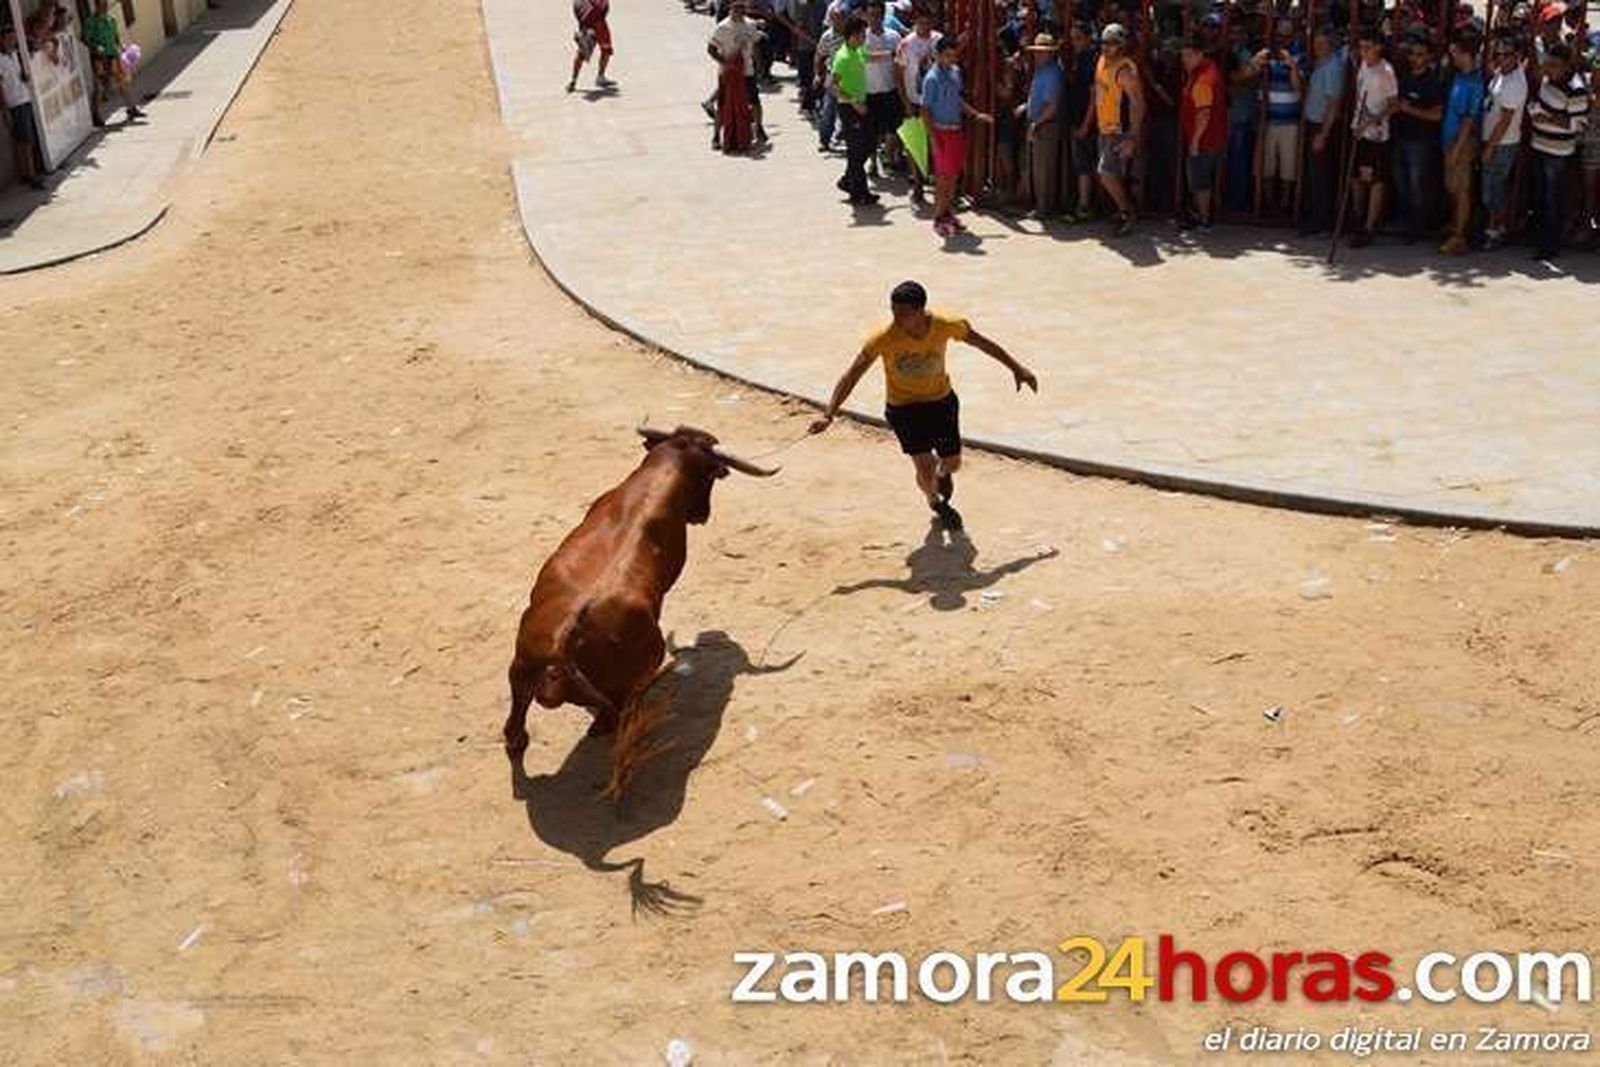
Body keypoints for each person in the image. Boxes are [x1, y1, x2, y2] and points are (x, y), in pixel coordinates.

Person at [808, 280, 1039, 532]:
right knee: (924, 466)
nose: (897, 319)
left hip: (941, 402)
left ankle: (944, 473)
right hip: (903, 408)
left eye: (904, 314)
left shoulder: (946, 325)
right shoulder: (883, 338)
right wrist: (829, 414)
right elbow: (852, 374)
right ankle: (935, 501)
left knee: (952, 463)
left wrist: (1017, 368)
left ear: (921, 311)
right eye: (894, 312)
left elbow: (982, 343)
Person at [921, 33, 993, 236]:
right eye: (947, 55)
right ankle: (938, 218)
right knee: (942, 180)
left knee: (952, 178)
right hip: (941, 133)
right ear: (938, 55)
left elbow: (957, 100)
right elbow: (925, 111)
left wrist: (976, 114)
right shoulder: (931, 79)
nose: (951, 59)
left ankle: (947, 214)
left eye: (954, 55)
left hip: (956, 131)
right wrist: (933, 140)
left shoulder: (955, 72)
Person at [1526, 42, 1590, 258]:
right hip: (1539, 144)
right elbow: (1537, 101)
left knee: (1554, 199)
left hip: (1558, 152)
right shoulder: (1546, 79)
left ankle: (1550, 245)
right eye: (1548, 64)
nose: (1549, 69)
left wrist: (1549, 119)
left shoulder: (1576, 88)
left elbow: (1578, 125)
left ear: (1566, 66)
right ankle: (1538, 237)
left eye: (1554, 65)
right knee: (1540, 196)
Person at [1346, 29, 1397, 248]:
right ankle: (1357, 220)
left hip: (1376, 134)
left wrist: (1370, 121)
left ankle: (1369, 227)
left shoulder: (1386, 72)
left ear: (1378, 47)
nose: (1363, 52)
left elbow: (1394, 105)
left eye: (1367, 48)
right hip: (1359, 130)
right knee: (1357, 178)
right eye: (1361, 48)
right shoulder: (1364, 66)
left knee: (1375, 180)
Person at [1391, 35, 1444, 243]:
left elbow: (1437, 115)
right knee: (1401, 184)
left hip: (1420, 142)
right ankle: (1406, 223)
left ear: (1429, 57)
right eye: (1412, 54)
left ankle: (1417, 228)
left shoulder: (1433, 82)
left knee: (1417, 186)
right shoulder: (1404, 77)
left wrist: (1409, 109)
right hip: (1400, 137)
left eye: (1420, 55)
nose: (1415, 58)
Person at [1093, 22, 1143, 235]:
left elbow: (1138, 103)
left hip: (1118, 130)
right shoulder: (1102, 61)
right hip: (1104, 128)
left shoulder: (1124, 70)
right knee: (1114, 175)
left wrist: (1132, 135)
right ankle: (1124, 211)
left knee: (1106, 173)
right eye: (1104, 42)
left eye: (1112, 43)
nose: (1106, 47)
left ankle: (1127, 213)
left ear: (1121, 45)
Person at [1480, 34, 1528, 250]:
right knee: (1491, 187)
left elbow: (1506, 120)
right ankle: (1494, 227)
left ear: (1517, 56)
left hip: (1502, 143)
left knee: (1495, 188)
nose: (1501, 58)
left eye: (1506, 54)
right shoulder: (1503, 73)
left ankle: (1495, 230)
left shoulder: (1516, 82)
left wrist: (1490, 146)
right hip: (1493, 139)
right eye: (1499, 54)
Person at [1438, 34, 1484, 254]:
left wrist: (1457, 150)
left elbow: (1469, 120)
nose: (1451, 56)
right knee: (1453, 188)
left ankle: (1460, 236)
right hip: (1449, 139)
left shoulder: (1475, 83)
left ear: (1466, 54)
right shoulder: (1457, 77)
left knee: (1463, 189)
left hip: (1462, 143)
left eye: (1454, 52)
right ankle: (1455, 224)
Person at [1254, 19, 1304, 217]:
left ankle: (1284, 205)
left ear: (1292, 36)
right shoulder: (1264, 55)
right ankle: (1266, 202)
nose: (1282, 39)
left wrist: (1291, 66)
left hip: (1289, 121)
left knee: (1288, 167)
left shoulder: (1299, 56)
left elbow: (1299, 88)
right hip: (1265, 119)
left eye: (1286, 35)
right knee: (1265, 166)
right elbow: (1250, 77)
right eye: (1279, 35)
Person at [1298, 29, 1345, 235]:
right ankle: (1317, 220)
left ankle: (1322, 223)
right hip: (1314, 123)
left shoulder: (1333, 67)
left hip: (1323, 126)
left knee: (1322, 177)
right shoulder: (1322, 63)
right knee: (1316, 176)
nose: (1318, 47)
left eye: (1322, 43)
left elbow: (1334, 103)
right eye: (1316, 43)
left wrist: (1323, 135)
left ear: (1330, 45)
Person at [1179, 37, 1226, 230]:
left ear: (1200, 55)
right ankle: (1201, 215)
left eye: (1188, 56)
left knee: (1200, 181)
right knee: (1201, 179)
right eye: (1183, 56)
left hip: (1204, 141)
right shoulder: (1206, 69)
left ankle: (1204, 219)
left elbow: (1204, 113)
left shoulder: (1203, 79)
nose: (1184, 60)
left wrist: (1195, 141)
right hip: (1211, 138)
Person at [709, 0, 767, 149]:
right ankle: (716, 136)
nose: (740, 11)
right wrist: (726, 63)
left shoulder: (750, 25)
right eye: (737, 8)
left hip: (747, 71)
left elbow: (755, 46)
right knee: (723, 105)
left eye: (743, 8)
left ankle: (759, 128)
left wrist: (760, 67)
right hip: (728, 74)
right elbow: (711, 49)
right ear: (731, 9)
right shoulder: (722, 28)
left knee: (754, 102)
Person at [833, 15, 878, 205]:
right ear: (851, 35)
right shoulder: (842, 56)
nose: (863, 39)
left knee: (867, 145)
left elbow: (869, 57)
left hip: (861, 104)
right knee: (856, 149)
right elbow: (833, 86)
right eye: (861, 35)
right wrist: (853, 102)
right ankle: (859, 193)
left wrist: (889, 54)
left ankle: (847, 180)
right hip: (849, 107)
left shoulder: (858, 51)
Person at [1020, 33, 1066, 218]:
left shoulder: (1052, 73)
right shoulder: (1042, 70)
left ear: (1050, 54)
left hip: (1045, 124)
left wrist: (1036, 123)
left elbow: (1052, 106)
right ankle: (1042, 206)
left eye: (1042, 52)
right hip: (1040, 121)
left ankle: (1044, 208)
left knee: (1043, 168)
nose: (1038, 55)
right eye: (1037, 52)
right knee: (1039, 167)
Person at [895, 9, 937, 203]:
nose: (924, 26)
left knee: (934, 142)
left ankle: (932, 180)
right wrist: (905, 102)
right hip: (913, 100)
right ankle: (918, 184)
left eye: (927, 22)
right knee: (913, 144)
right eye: (921, 22)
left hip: (935, 102)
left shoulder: (939, 40)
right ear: (915, 22)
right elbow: (898, 74)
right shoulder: (906, 44)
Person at [1, 24, 45, 191]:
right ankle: (30, 175)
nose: (12, 42)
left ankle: (28, 173)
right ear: (2, 40)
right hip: (14, 103)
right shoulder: (0, 59)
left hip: (25, 98)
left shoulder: (15, 55)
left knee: (27, 140)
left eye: (13, 38)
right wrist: (5, 110)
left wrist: (24, 78)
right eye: (9, 39)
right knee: (24, 141)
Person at [83, 0, 142, 124]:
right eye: (101, 5)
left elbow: (116, 37)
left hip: (113, 54)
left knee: (123, 82)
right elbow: (85, 39)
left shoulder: (111, 20)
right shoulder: (90, 22)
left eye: (105, 4)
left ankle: (131, 108)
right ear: (96, 5)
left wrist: (121, 46)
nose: (104, 7)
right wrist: (95, 47)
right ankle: (95, 115)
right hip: (99, 58)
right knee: (99, 87)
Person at [861, 1, 902, 180]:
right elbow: (864, 57)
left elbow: (901, 60)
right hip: (869, 91)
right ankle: (872, 163)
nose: (874, 19)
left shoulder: (894, 36)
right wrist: (888, 54)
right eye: (871, 15)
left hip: (890, 89)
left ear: (884, 15)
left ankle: (887, 159)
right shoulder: (862, 36)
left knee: (892, 129)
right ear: (866, 16)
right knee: (871, 132)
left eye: (878, 15)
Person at [1064, 21, 1099, 222]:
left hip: (1088, 123)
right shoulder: (1079, 59)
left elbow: (1094, 95)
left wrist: (1086, 124)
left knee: (1090, 167)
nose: (1074, 41)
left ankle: (1088, 206)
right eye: (1072, 37)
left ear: (1087, 38)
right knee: (1083, 167)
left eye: (1078, 37)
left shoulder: (1091, 60)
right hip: (1078, 121)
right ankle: (1084, 206)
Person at [568, 0, 616, 93]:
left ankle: (575, 80)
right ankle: (575, 80)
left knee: (605, 50)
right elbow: (603, 8)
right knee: (586, 53)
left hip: (595, 25)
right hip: (594, 26)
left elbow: (578, 11)